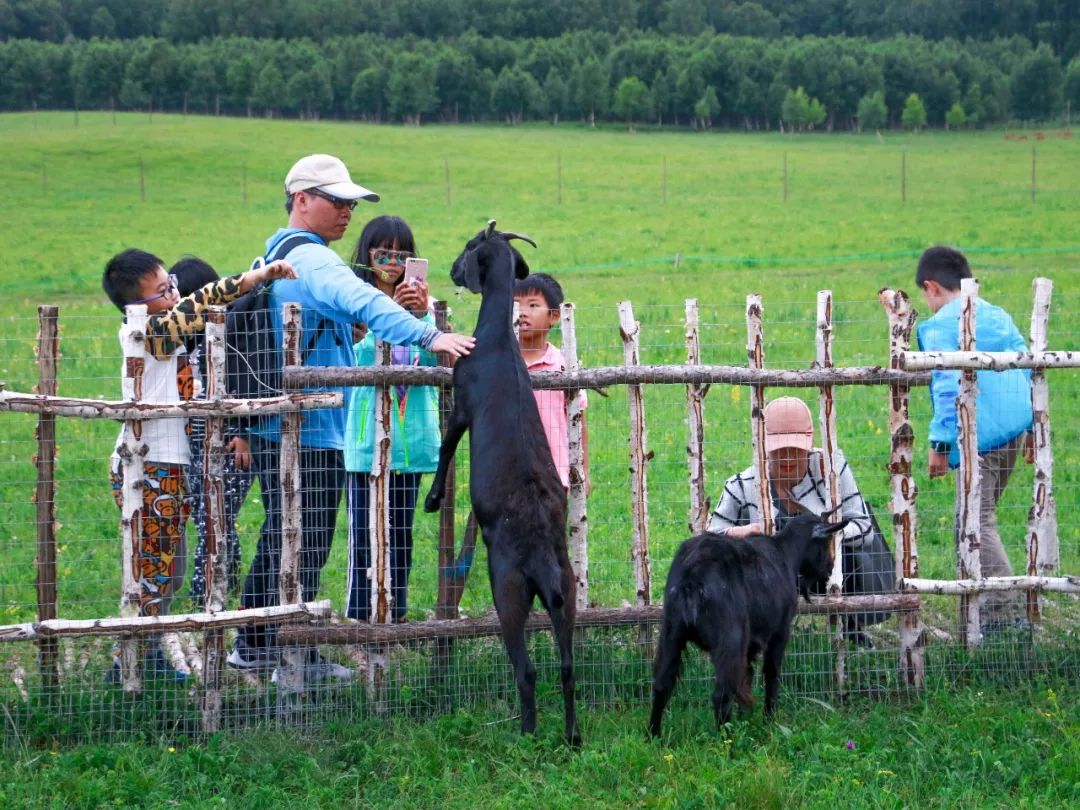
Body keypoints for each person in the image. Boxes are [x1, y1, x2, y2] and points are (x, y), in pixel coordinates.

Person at [230, 154, 474, 680]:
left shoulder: (278, 251)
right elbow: (358, 299)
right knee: (302, 539)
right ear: (302, 200)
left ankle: (264, 643)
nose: (346, 212)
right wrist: (429, 333)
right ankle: (272, 646)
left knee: (288, 535)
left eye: (350, 203)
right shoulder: (314, 260)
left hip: (291, 420)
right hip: (307, 425)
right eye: (336, 201)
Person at [101, 248, 295, 680]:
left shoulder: (159, 330)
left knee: (165, 571)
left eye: (171, 284)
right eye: (163, 289)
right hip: (148, 472)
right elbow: (202, 301)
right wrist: (254, 276)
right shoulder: (149, 333)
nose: (173, 294)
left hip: (165, 469)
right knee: (153, 572)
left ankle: (142, 656)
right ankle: (129, 664)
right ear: (138, 304)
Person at [707, 396, 892, 647]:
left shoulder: (833, 467)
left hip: (824, 570)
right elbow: (709, 538)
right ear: (763, 446)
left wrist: (824, 536)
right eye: (778, 449)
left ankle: (851, 625)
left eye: (795, 448)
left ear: (811, 443)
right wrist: (744, 534)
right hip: (769, 577)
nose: (787, 457)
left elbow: (864, 527)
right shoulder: (739, 486)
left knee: (851, 554)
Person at [915, 245, 1033, 632]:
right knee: (981, 517)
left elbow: (947, 386)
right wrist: (1033, 425)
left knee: (975, 523)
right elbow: (1027, 364)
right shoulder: (996, 314)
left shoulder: (939, 327)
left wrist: (940, 445)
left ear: (931, 287)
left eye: (923, 295)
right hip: (1014, 431)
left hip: (980, 436)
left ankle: (1004, 615)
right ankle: (990, 606)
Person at [343, 216, 439, 622]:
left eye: (403, 255)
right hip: (366, 443)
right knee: (365, 537)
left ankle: (394, 617)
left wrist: (423, 320)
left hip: (409, 441)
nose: (393, 262)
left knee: (400, 536)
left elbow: (437, 364)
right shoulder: (352, 303)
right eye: (383, 253)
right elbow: (356, 363)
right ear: (367, 255)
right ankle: (361, 621)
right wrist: (389, 320)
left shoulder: (426, 308)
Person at [169, 256, 254, 608]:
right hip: (197, 442)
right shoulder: (190, 338)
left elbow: (247, 384)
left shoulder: (228, 332)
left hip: (229, 441)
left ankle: (206, 593)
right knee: (210, 516)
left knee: (214, 516)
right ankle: (225, 580)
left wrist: (243, 432)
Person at [513, 272, 589, 492]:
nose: (523, 312)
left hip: (554, 473)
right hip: (508, 473)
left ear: (554, 316)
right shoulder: (501, 364)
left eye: (533, 305)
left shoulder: (562, 366)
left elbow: (579, 418)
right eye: (517, 305)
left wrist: (584, 470)